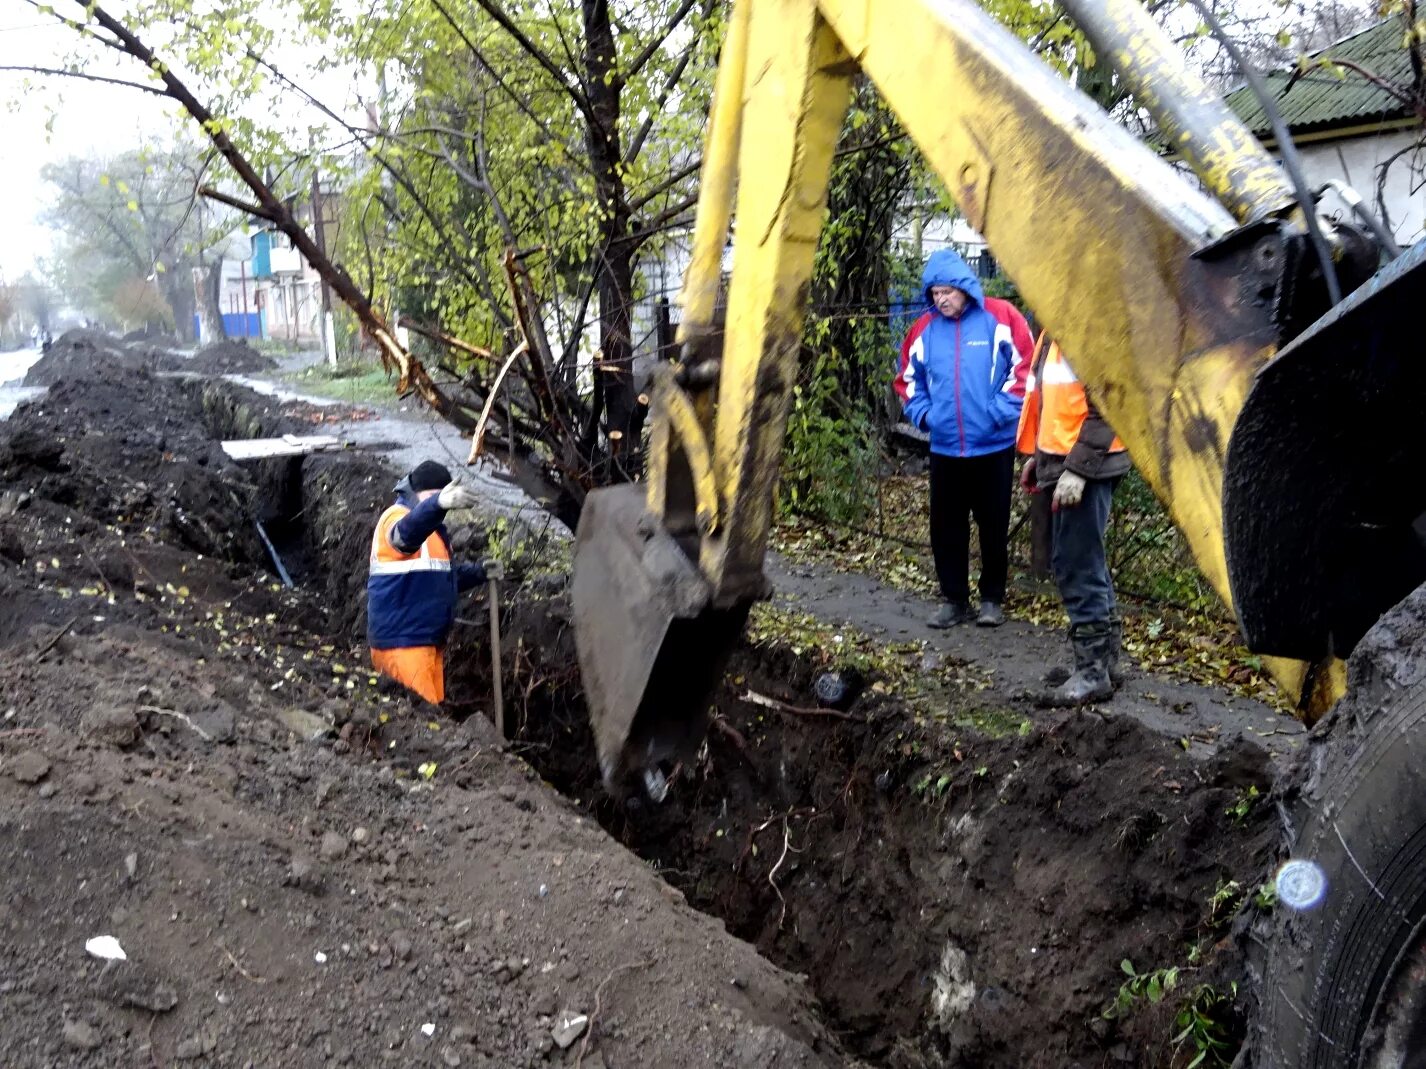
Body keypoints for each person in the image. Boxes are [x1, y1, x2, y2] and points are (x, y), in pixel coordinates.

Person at [895, 248, 1032, 628]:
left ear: (964, 288)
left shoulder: (1001, 317)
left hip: (993, 446)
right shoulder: (923, 330)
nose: (941, 299)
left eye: (948, 292)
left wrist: (998, 413)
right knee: (946, 528)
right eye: (935, 293)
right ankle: (955, 599)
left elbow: (1024, 368)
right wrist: (925, 416)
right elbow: (908, 380)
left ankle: (991, 599)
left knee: (993, 526)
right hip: (945, 448)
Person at [1016, 334, 1130, 704]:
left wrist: (1078, 470)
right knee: (1084, 560)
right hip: (1067, 461)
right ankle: (1106, 664)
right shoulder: (1055, 325)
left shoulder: (1086, 322)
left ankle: (1093, 672)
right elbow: (1054, 404)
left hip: (1086, 466)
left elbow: (1111, 401)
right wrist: (1041, 458)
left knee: (1076, 563)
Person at [367, 460, 503, 705]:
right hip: (403, 645)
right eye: (435, 497)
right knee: (420, 722)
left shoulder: (432, 529)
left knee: (433, 718)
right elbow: (405, 536)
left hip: (425, 642)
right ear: (419, 494)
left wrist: (480, 572)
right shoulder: (397, 518)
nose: (442, 506)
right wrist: (437, 504)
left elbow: (440, 579)